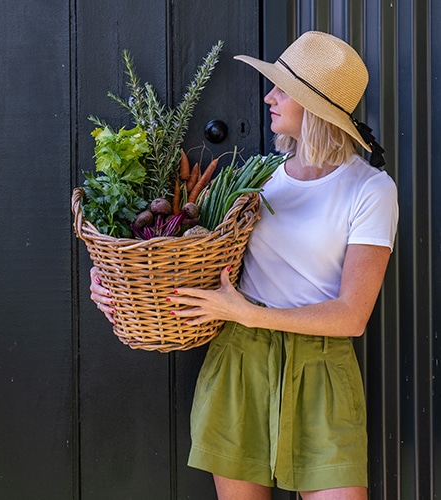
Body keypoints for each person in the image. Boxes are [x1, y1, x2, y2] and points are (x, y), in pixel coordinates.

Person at [90, 31, 399, 500]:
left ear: (314, 108)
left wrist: (247, 312)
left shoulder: (371, 190)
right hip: (240, 362)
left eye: (281, 88)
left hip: (321, 372)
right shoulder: (258, 178)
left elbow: (352, 316)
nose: (268, 96)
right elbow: (177, 254)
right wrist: (114, 278)